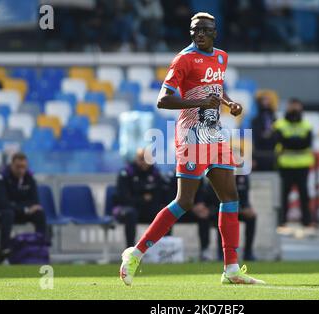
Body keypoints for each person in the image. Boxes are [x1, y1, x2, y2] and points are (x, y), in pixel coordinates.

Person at [119, 12, 265, 285]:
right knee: (185, 201)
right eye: (195, 30)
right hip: (191, 136)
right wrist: (198, 105)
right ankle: (136, 253)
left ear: (214, 32)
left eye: (205, 30)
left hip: (216, 134)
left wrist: (228, 104)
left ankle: (231, 269)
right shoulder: (184, 59)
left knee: (231, 197)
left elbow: (216, 89)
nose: (199, 34)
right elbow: (164, 100)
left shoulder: (221, 57)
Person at [0, 153, 47, 258]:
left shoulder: (29, 178)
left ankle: (41, 246)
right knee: (8, 214)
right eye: (18, 167)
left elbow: (34, 201)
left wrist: (25, 208)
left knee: (39, 213)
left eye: (23, 167)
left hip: (20, 211)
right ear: (11, 165)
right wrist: (24, 209)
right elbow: (2, 203)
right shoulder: (2, 178)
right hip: (0, 212)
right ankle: (4, 249)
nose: (21, 170)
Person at [273, 98, 316, 237]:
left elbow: (306, 143)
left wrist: (291, 142)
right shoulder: (280, 124)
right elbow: (281, 141)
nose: (295, 110)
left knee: (304, 195)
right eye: (292, 106)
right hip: (285, 164)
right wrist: (296, 142)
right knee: (283, 195)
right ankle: (282, 221)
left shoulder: (307, 124)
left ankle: (307, 222)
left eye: (297, 107)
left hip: (302, 165)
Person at [112, 148, 167, 247]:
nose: (145, 162)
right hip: (125, 208)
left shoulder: (155, 173)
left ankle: (164, 248)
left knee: (166, 213)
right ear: (136, 159)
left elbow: (159, 194)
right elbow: (124, 198)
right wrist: (142, 198)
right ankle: (130, 250)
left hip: (147, 208)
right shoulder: (126, 173)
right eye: (142, 159)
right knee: (131, 213)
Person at [252, 90, 278, 171]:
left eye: (267, 99)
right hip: (259, 152)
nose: (265, 102)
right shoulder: (256, 119)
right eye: (263, 99)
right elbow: (255, 137)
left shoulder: (274, 118)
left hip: (272, 151)